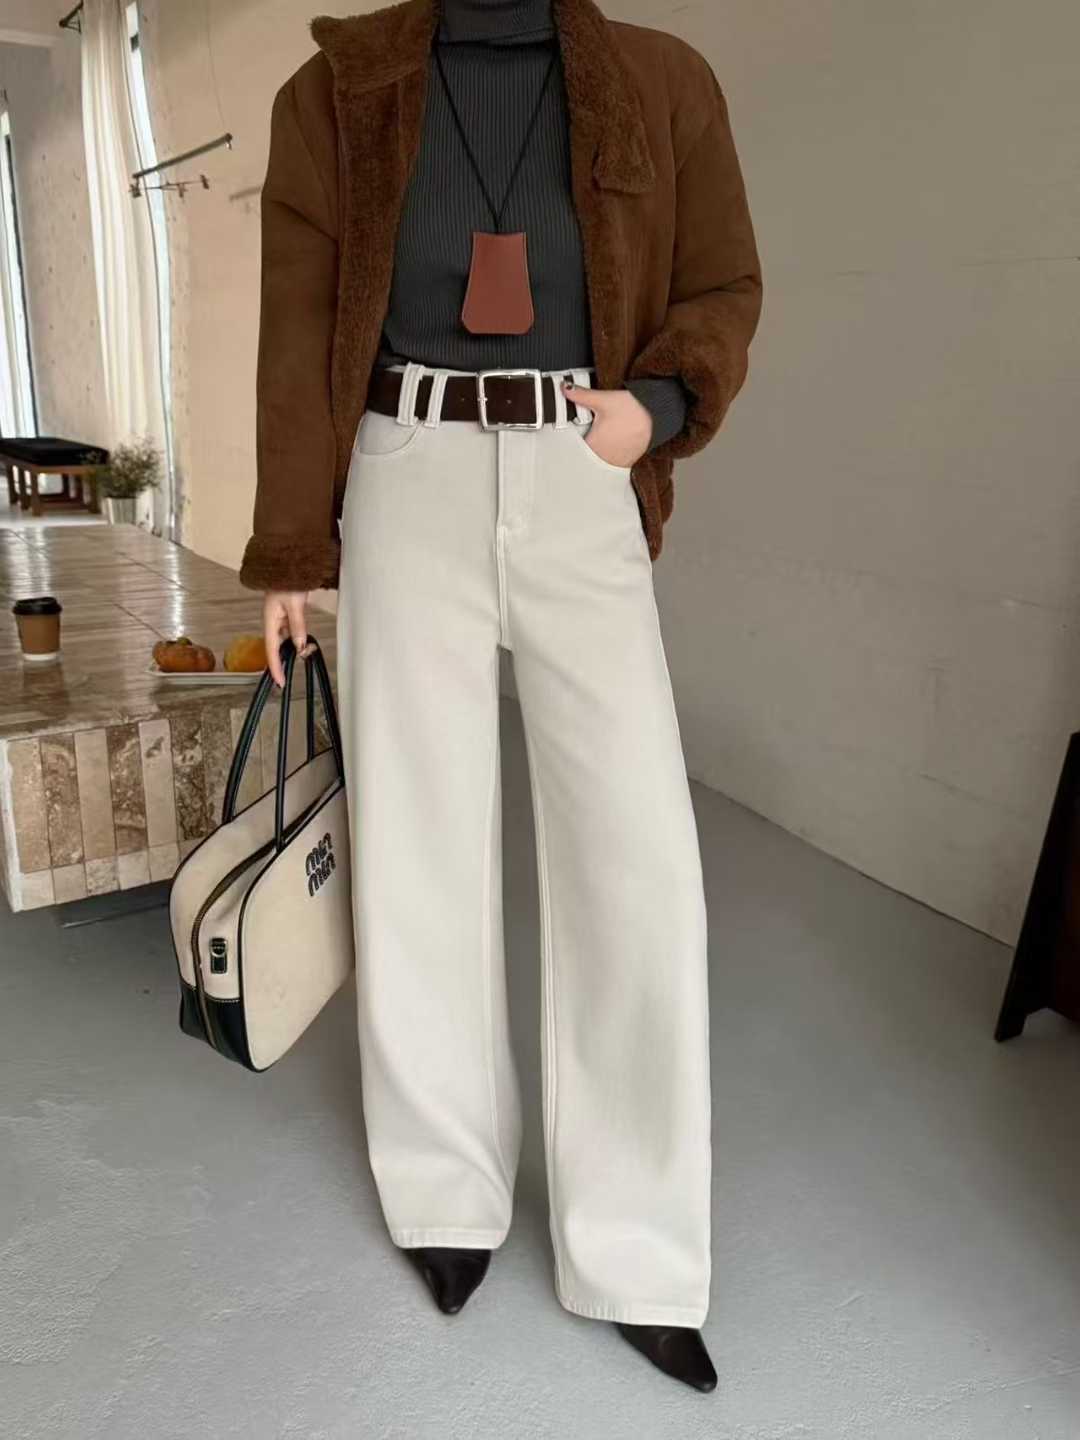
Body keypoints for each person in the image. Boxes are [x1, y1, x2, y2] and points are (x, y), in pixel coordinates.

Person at [240, 0, 761, 1393]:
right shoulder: (337, 87)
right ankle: (445, 1194)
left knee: (636, 857)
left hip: (583, 465)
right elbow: (297, 323)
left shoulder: (661, 78)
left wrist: (660, 407)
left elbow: (722, 280)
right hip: (403, 465)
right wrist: (292, 547)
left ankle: (640, 1250)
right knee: (419, 839)